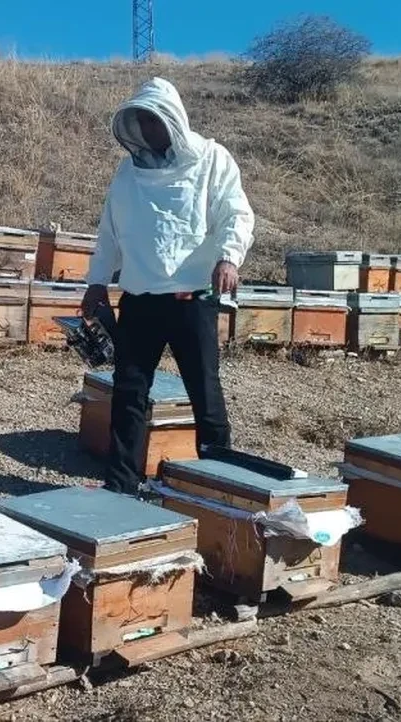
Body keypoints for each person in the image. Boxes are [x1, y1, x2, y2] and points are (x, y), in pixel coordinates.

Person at [82, 76, 255, 494]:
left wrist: (229, 257)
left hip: (191, 298)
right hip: (140, 300)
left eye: (151, 120)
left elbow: (237, 213)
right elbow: (110, 232)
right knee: (128, 394)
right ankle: (121, 485)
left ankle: (215, 486)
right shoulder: (128, 173)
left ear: (172, 120)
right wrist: (96, 282)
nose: (145, 130)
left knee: (205, 393)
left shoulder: (212, 159)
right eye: (139, 122)